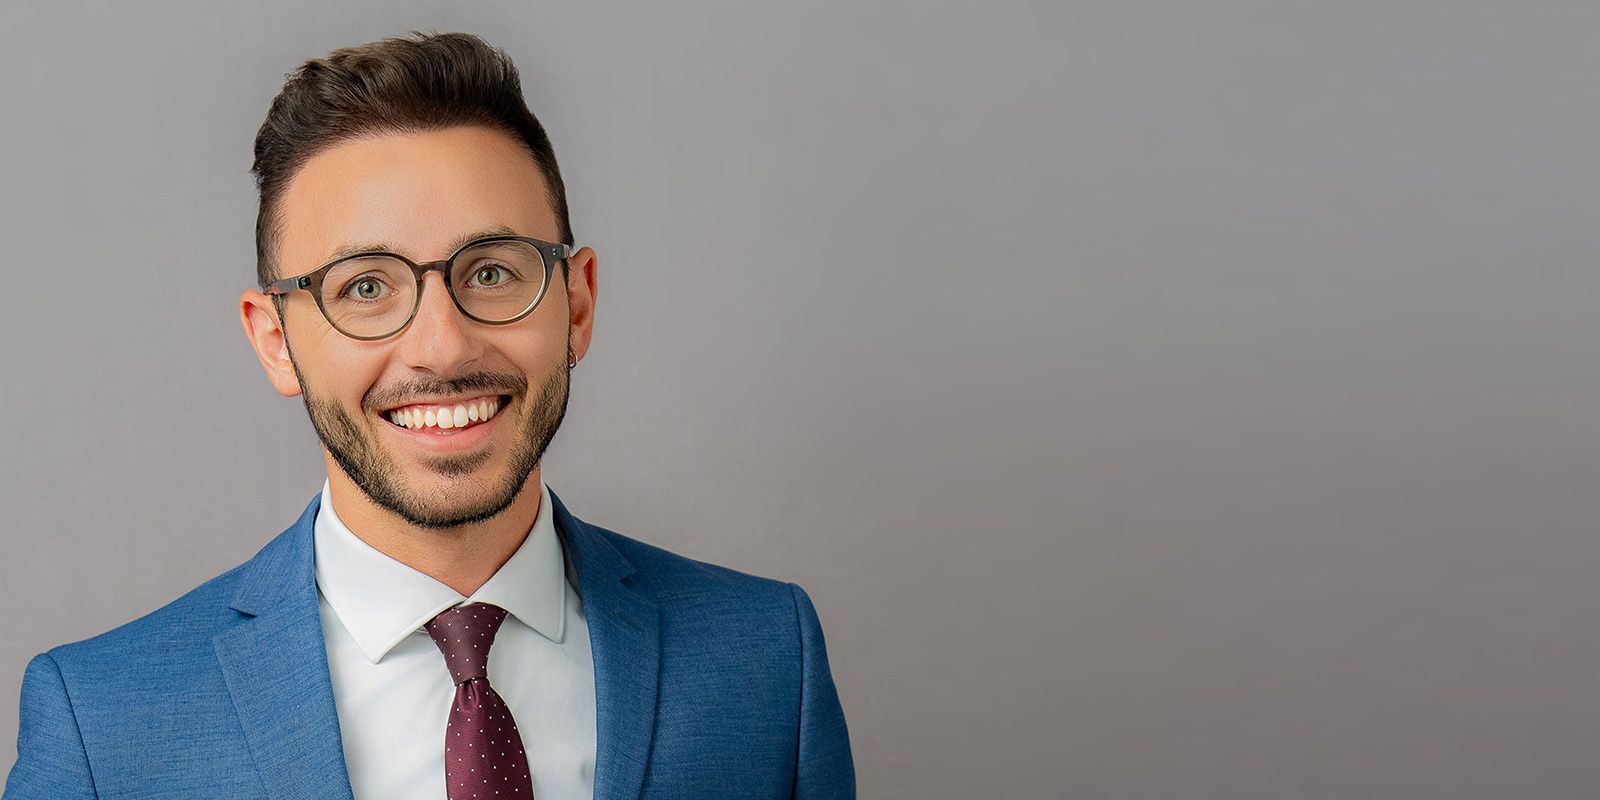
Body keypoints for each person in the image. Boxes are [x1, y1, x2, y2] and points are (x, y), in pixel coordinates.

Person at [4, 31, 854, 800]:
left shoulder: (767, 660)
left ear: (578, 304)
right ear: (275, 341)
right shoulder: (103, 724)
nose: (442, 350)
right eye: (365, 287)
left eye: (492, 272)